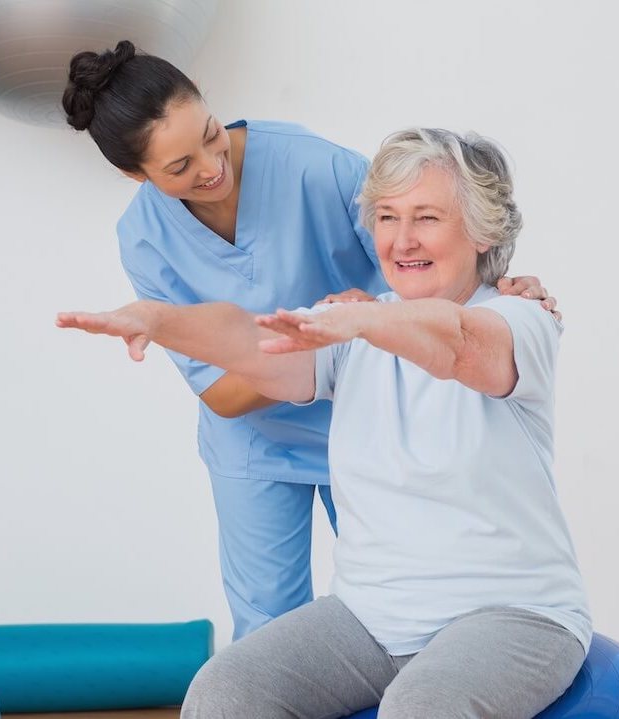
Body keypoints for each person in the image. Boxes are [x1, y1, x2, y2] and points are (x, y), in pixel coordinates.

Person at [57, 128, 590, 719]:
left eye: (427, 218)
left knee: (422, 708)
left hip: (512, 614)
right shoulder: (356, 323)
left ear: (483, 229)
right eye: (386, 217)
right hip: (370, 619)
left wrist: (366, 322)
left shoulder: (521, 319)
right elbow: (251, 341)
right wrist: (159, 320)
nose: (402, 239)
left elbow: (458, 343)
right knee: (224, 689)